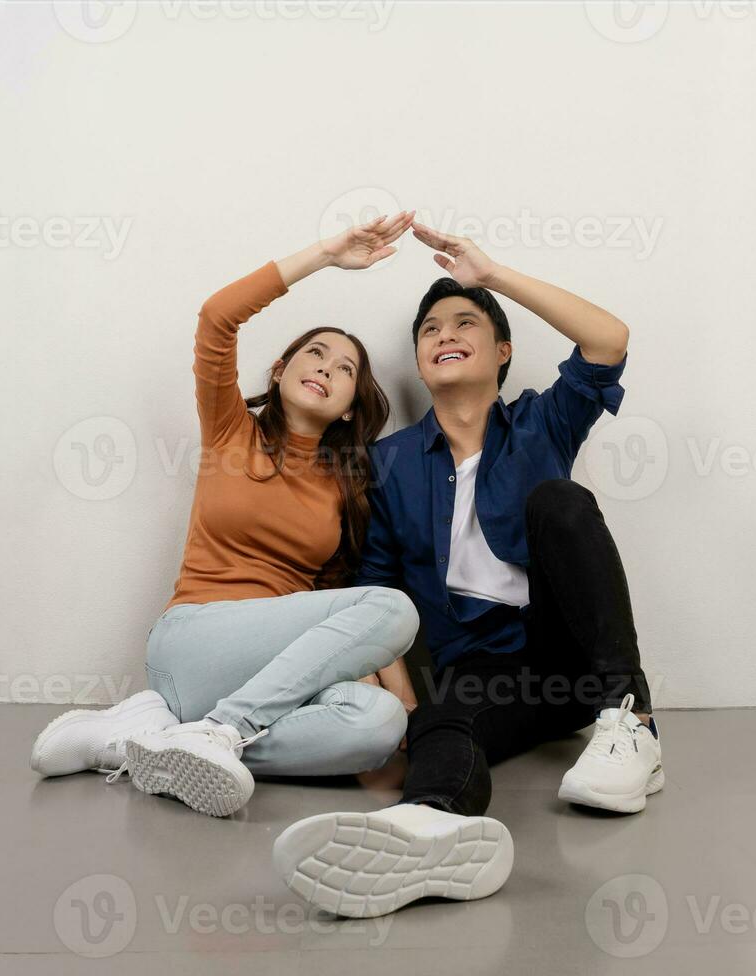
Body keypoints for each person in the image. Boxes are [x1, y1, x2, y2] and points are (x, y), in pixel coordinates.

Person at [271, 222, 660, 918]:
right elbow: (380, 592)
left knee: (560, 500)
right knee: (445, 716)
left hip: (570, 656)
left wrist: (494, 276)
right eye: (429, 329)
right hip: (481, 667)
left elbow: (608, 340)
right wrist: (401, 703)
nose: (444, 333)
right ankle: (426, 830)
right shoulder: (389, 465)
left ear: (501, 351)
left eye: (465, 321)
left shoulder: (544, 423)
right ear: (420, 363)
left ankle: (631, 723)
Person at [30, 213, 423, 818]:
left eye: (344, 369)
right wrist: (325, 253)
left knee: (376, 722)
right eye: (314, 354)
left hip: (269, 673)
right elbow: (218, 317)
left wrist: (404, 706)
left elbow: (341, 599)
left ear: (350, 409)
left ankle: (152, 741)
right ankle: (219, 732)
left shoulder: (346, 489)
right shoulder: (229, 430)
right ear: (280, 371)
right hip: (195, 641)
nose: (325, 367)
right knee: (393, 607)